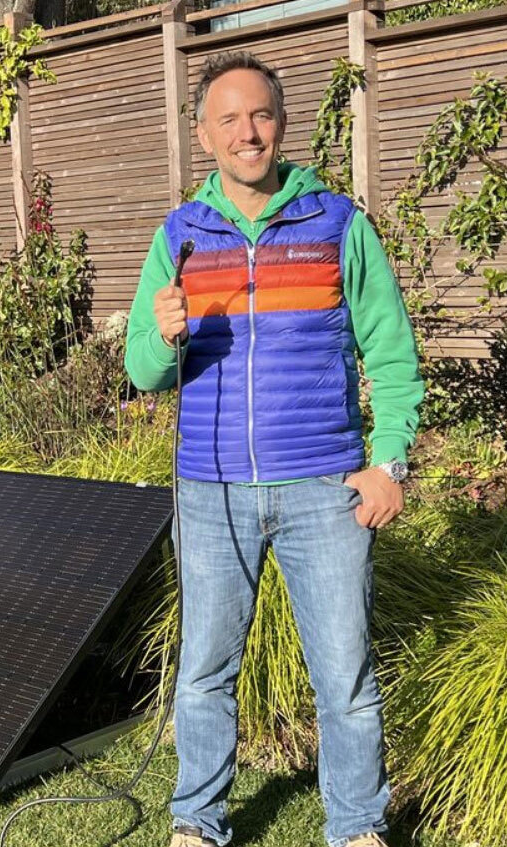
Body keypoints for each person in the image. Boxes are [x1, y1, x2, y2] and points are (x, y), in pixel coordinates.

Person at [124, 51, 424, 847]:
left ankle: (357, 827)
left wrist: (388, 460)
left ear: (282, 124)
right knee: (204, 673)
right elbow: (142, 371)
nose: (247, 132)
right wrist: (162, 335)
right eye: (229, 119)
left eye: (260, 115)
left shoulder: (336, 224)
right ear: (203, 135)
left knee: (345, 680)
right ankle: (196, 821)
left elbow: (390, 351)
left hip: (324, 488)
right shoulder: (179, 236)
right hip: (211, 490)